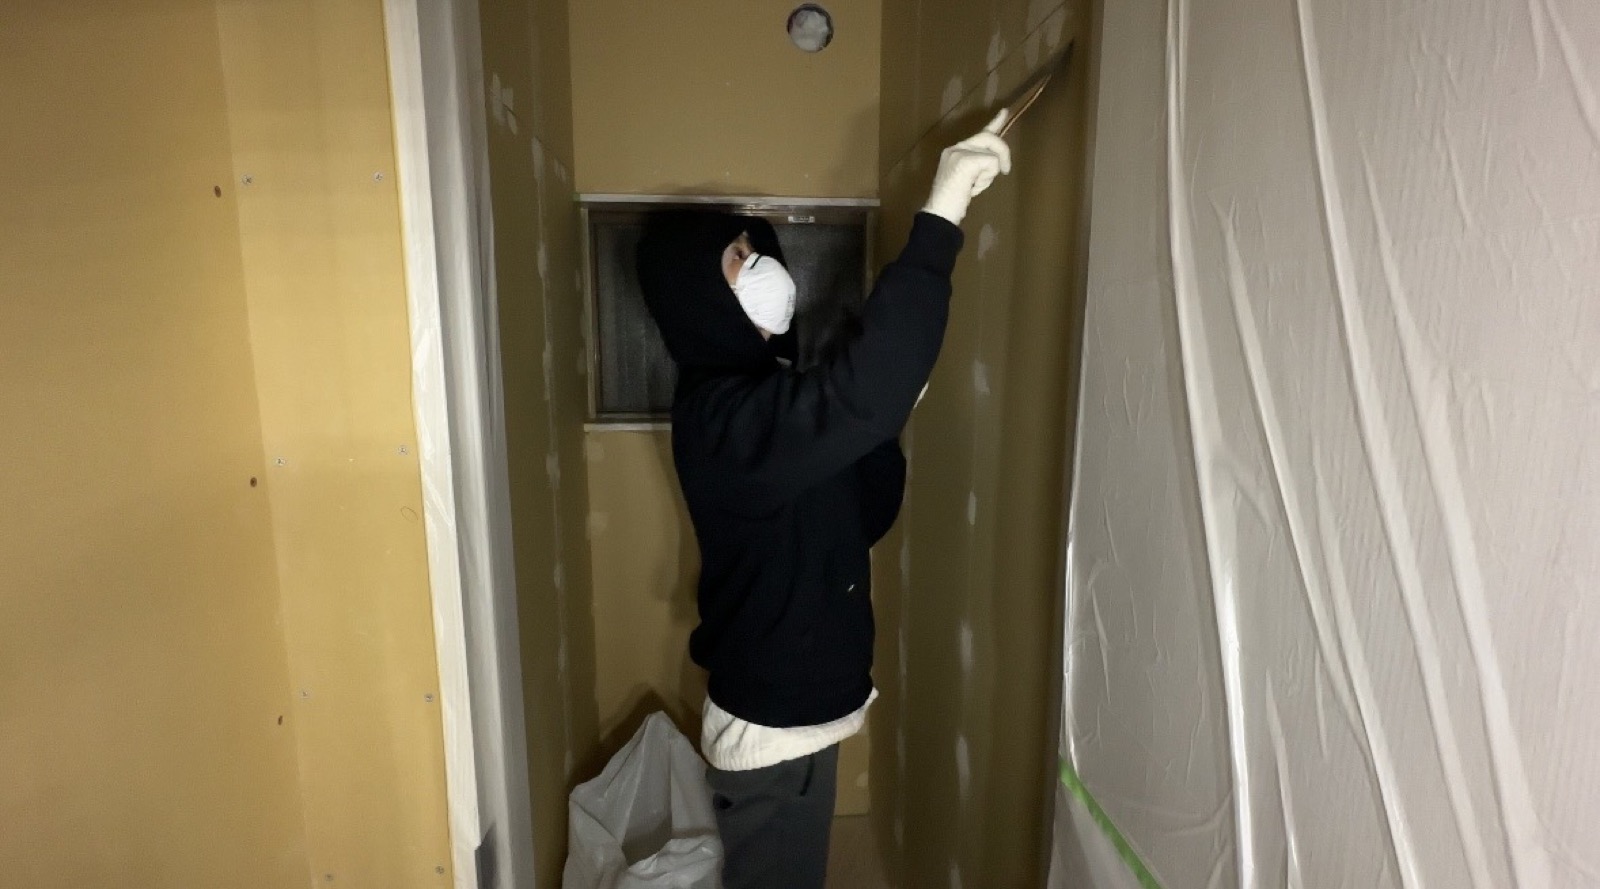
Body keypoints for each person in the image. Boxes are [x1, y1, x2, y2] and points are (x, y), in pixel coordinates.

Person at [636, 112, 1013, 889]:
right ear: (695, 294)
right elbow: (853, 404)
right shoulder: (720, 418)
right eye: (737, 259)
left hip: (800, 706)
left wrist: (877, 425)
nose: (761, 264)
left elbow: (859, 513)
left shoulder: (760, 401)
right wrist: (938, 223)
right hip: (775, 722)